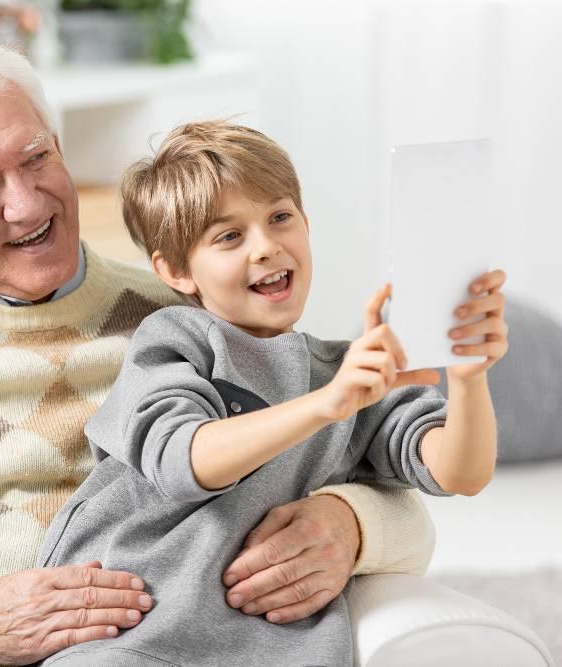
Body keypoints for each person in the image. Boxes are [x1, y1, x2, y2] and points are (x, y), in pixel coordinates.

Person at [0, 41, 441, 666]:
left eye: (36, 158)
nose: (25, 202)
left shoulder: (189, 314)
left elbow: (392, 472)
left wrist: (352, 523)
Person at [37, 121, 508, 666]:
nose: (266, 247)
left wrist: (470, 377)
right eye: (229, 236)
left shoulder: (349, 374)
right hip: (126, 633)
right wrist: (328, 404)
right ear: (175, 269)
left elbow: (462, 473)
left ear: (306, 225)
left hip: (269, 649)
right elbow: (183, 460)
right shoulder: (178, 340)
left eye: (280, 218)